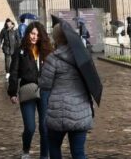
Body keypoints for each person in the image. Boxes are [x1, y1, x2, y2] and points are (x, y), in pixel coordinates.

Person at [41, 23, 96, 159]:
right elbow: (92, 79)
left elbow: (45, 84)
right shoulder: (83, 57)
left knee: (54, 146)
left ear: (56, 38)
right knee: (78, 152)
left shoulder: (52, 59)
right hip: (80, 111)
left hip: (58, 111)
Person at [8, 21, 53, 159]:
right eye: (32, 34)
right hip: (27, 90)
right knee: (30, 127)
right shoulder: (20, 50)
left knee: (45, 128)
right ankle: (26, 150)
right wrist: (12, 92)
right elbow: (14, 72)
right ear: (28, 34)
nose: (34, 37)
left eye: (37, 35)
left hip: (44, 91)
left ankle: (44, 156)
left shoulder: (46, 51)